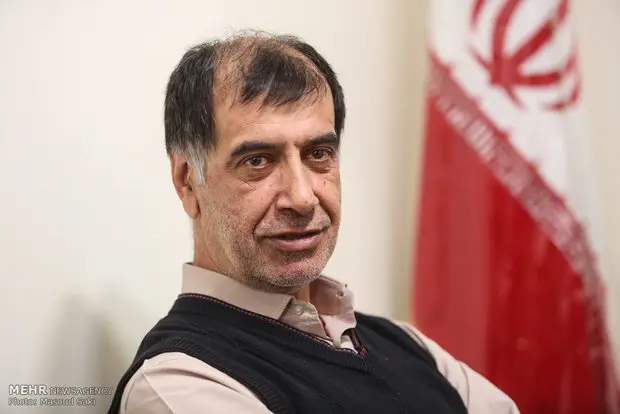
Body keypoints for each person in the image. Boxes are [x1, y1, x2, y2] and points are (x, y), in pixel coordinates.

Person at [107, 31, 519, 414]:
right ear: (187, 182)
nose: (302, 197)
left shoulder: (404, 343)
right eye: (258, 161)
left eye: (318, 154)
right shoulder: (178, 383)